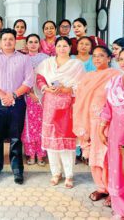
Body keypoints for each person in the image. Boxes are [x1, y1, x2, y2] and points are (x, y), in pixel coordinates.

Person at [0, 28, 34, 184]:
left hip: (17, 102)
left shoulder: (24, 59)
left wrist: (12, 95)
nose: (8, 42)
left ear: (15, 41)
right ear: (0, 41)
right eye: (5, 39)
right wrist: (2, 95)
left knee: (15, 138)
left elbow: (29, 81)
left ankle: (17, 170)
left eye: (10, 39)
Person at [35, 36, 84, 188]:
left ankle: (69, 175)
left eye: (65, 46)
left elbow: (82, 84)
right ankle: (56, 173)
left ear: (70, 47)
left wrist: (68, 88)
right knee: (51, 140)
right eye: (59, 46)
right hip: (50, 103)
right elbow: (39, 78)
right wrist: (45, 88)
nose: (62, 49)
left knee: (65, 140)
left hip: (67, 105)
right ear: (55, 47)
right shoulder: (47, 63)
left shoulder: (76, 64)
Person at [73, 46, 120, 206]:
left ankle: (113, 191)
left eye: (101, 56)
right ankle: (101, 187)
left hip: (108, 123)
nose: (97, 59)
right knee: (94, 157)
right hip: (90, 122)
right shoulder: (88, 76)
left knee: (108, 157)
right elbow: (79, 97)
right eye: (95, 56)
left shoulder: (116, 76)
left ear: (109, 58)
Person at [98, 47, 124, 219]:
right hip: (117, 134)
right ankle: (122, 210)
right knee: (118, 168)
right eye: (122, 59)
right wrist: (101, 128)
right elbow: (107, 108)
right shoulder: (114, 82)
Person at [21, 34, 49, 166]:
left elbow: (49, 77)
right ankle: (31, 154)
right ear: (26, 44)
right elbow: (20, 78)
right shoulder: (22, 58)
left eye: (35, 42)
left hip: (43, 96)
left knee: (42, 125)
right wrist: (30, 92)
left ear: (39, 44)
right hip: (27, 96)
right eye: (30, 42)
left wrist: (41, 93)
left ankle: (41, 154)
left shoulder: (46, 59)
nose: (33, 44)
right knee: (29, 125)